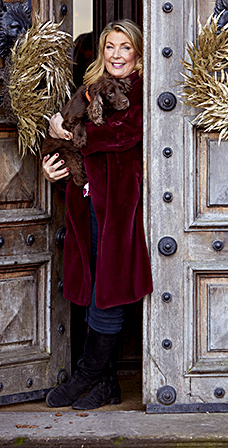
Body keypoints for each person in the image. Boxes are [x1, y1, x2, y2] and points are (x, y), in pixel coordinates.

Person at [42, 20, 152, 410]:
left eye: (125, 47)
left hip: (119, 205)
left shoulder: (142, 90)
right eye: (110, 47)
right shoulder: (89, 88)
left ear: (138, 53)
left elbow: (123, 134)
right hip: (85, 201)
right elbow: (67, 141)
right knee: (90, 287)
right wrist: (52, 166)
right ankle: (107, 385)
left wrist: (71, 134)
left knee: (109, 288)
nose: (116, 55)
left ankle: (85, 376)